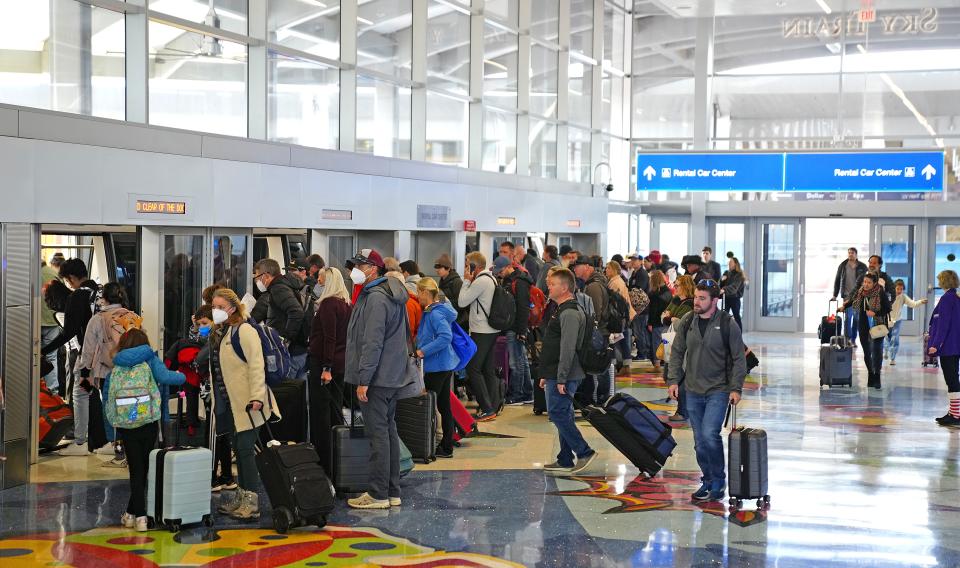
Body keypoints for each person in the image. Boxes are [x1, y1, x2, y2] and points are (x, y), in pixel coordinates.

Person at [667, 281, 746, 502]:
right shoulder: (687, 321)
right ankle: (709, 479)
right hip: (692, 390)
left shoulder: (727, 323)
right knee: (699, 441)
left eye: (702, 298)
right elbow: (677, 351)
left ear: (714, 301)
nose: (697, 301)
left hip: (718, 390)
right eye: (696, 297)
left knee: (710, 435)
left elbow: (739, 359)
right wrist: (673, 380)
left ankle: (719, 480)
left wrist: (736, 388)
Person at [344, 249, 410, 509]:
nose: (354, 270)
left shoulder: (376, 299)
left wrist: (364, 379)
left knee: (378, 435)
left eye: (359, 265)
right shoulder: (392, 295)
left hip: (377, 378)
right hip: (392, 375)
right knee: (389, 432)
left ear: (373, 269)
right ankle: (392, 491)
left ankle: (378, 493)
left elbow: (372, 342)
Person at [105, 328, 185, 532]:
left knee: (135, 470)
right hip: (148, 420)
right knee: (145, 469)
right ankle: (141, 516)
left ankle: (133, 515)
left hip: (126, 425)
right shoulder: (150, 358)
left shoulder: (117, 363)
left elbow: (107, 395)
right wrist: (182, 376)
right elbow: (166, 377)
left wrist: (111, 424)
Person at [210, 288, 278, 520]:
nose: (216, 311)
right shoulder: (226, 331)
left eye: (220, 307)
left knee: (246, 451)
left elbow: (256, 365)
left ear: (232, 307)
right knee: (239, 448)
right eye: (214, 306)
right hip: (234, 404)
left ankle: (252, 502)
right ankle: (242, 496)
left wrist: (257, 396)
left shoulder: (245, 330)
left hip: (251, 403)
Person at [539, 268, 597, 474]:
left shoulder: (571, 312)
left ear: (564, 288)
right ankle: (565, 458)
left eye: (552, 284)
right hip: (556, 372)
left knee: (557, 413)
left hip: (565, 373)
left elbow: (568, 347)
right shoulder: (561, 309)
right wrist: (547, 374)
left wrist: (561, 377)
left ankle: (584, 451)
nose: (549, 286)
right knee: (563, 413)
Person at [78, 282, 142, 466]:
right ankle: (131, 451)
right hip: (132, 371)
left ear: (103, 298)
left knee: (111, 411)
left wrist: (85, 372)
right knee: (130, 409)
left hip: (108, 371)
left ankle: (118, 451)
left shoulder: (98, 319)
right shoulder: (132, 316)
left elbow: (88, 349)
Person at [42, 259, 100, 456]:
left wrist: (44, 349)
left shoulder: (78, 296)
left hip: (87, 358)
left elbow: (69, 332)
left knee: (81, 394)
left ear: (72, 278)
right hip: (104, 356)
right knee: (97, 395)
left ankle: (81, 441)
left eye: (68, 281)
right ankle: (102, 440)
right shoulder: (99, 292)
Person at [308, 267, 352, 474]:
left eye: (321, 280)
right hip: (341, 363)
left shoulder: (328, 305)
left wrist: (326, 367)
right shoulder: (346, 304)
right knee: (335, 411)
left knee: (321, 413)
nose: (318, 282)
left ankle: (323, 459)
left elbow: (329, 337)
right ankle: (338, 457)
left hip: (325, 365)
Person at [415, 278, 459, 458]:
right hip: (443, 364)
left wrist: (423, 351)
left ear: (426, 293)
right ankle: (447, 443)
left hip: (437, 366)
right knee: (443, 405)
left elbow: (445, 337)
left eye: (419, 292)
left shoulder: (434, 314)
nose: (417, 296)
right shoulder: (438, 310)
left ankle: (442, 444)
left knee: (433, 406)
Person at [458, 251, 501, 421]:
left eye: (467, 264)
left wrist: (467, 281)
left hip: (481, 331)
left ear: (474, 266)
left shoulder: (481, 281)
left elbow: (462, 301)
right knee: (487, 369)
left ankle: (488, 408)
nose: (465, 268)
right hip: (490, 330)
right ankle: (491, 406)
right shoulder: (491, 278)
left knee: (473, 368)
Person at [252, 258, 310, 380]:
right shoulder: (287, 285)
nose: (256, 281)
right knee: (299, 392)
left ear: (266, 276)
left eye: (257, 277)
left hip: (290, 352)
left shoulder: (278, 288)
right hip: (300, 349)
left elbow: (296, 311)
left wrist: (285, 339)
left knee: (285, 390)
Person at [571, 256, 611, 406]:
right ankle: (596, 397)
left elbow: (595, 313)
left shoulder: (594, 286)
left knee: (600, 366)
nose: (575, 269)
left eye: (577, 265)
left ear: (587, 266)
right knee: (596, 365)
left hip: (598, 332)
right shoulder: (593, 283)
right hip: (598, 331)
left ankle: (602, 399)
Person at [841, 272, 891, 390]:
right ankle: (871, 375)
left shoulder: (880, 293)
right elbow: (852, 300)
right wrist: (844, 306)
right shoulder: (861, 292)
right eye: (865, 282)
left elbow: (887, 308)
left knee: (877, 351)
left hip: (878, 325)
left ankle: (877, 376)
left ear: (874, 283)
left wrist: (875, 313)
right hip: (863, 325)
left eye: (869, 282)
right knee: (867, 352)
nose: (866, 284)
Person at [496, 256, 535, 406]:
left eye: (501, 271)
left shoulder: (519, 282)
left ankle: (517, 394)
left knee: (515, 362)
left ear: (507, 267)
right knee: (522, 361)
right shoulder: (511, 281)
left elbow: (523, 307)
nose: (499, 274)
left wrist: (521, 330)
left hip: (516, 328)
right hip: (513, 327)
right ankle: (527, 392)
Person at [928, 270, 960, 426]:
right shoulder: (956, 297)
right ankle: (953, 412)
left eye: (940, 279)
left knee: (951, 379)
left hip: (948, 345)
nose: (938, 282)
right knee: (953, 378)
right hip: (955, 344)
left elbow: (943, 324)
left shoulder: (947, 299)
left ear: (944, 281)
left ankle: (956, 415)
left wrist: (935, 344)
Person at [663, 275, 696, 422]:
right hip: (672, 343)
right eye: (674, 285)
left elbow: (680, 323)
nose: (675, 288)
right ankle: (684, 408)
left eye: (677, 285)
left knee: (680, 377)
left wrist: (670, 317)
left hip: (683, 346)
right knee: (669, 374)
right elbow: (663, 317)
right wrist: (670, 317)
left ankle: (683, 410)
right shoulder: (675, 300)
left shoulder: (688, 304)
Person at [831, 248, 868, 347]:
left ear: (856, 254)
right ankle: (847, 339)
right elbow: (837, 280)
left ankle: (853, 339)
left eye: (852, 253)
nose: (850, 254)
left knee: (856, 318)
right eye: (849, 253)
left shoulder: (863, 267)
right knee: (848, 317)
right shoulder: (843, 266)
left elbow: (867, 281)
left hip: (859, 296)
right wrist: (835, 295)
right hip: (847, 296)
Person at [886, 279, 926, 366]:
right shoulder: (888, 295)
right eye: (898, 289)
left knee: (894, 338)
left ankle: (892, 358)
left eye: (901, 289)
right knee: (886, 338)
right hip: (887, 320)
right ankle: (885, 351)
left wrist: (920, 302)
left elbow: (912, 304)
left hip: (897, 321)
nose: (899, 291)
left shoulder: (903, 297)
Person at [606, 260, 636, 368]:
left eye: (608, 268)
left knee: (615, 340)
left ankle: (614, 365)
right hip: (623, 314)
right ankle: (625, 365)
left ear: (614, 269)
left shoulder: (615, 282)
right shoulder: (617, 280)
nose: (606, 270)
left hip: (619, 315)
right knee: (622, 340)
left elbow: (616, 301)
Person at [40, 259, 62, 392]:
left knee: (33, 357)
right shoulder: (53, 274)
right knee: (51, 356)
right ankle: (52, 391)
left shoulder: (30, 274)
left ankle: (37, 390)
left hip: (35, 322)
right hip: (53, 320)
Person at [647, 270, 673, 370]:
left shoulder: (654, 294)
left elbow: (653, 311)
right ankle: (667, 365)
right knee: (666, 343)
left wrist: (650, 323)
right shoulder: (668, 292)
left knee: (656, 343)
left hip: (657, 322)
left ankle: (657, 365)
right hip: (666, 321)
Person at [435, 254, 468, 330]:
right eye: (436, 267)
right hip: (450, 319)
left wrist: (444, 301)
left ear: (448, 268)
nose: (437, 270)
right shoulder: (442, 281)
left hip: (459, 321)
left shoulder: (456, 282)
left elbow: (461, 303)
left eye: (440, 267)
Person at [720, 257, 746, 330]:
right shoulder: (726, 273)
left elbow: (734, 287)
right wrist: (721, 280)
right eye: (728, 262)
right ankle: (724, 335)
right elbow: (720, 284)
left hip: (735, 299)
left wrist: (724, 289)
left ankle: (739, 335)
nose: (729, 263)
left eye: (731, 262)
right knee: (723, 317)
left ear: (735, 264)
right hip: (726, 298)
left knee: (736, 316)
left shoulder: (739, 275)